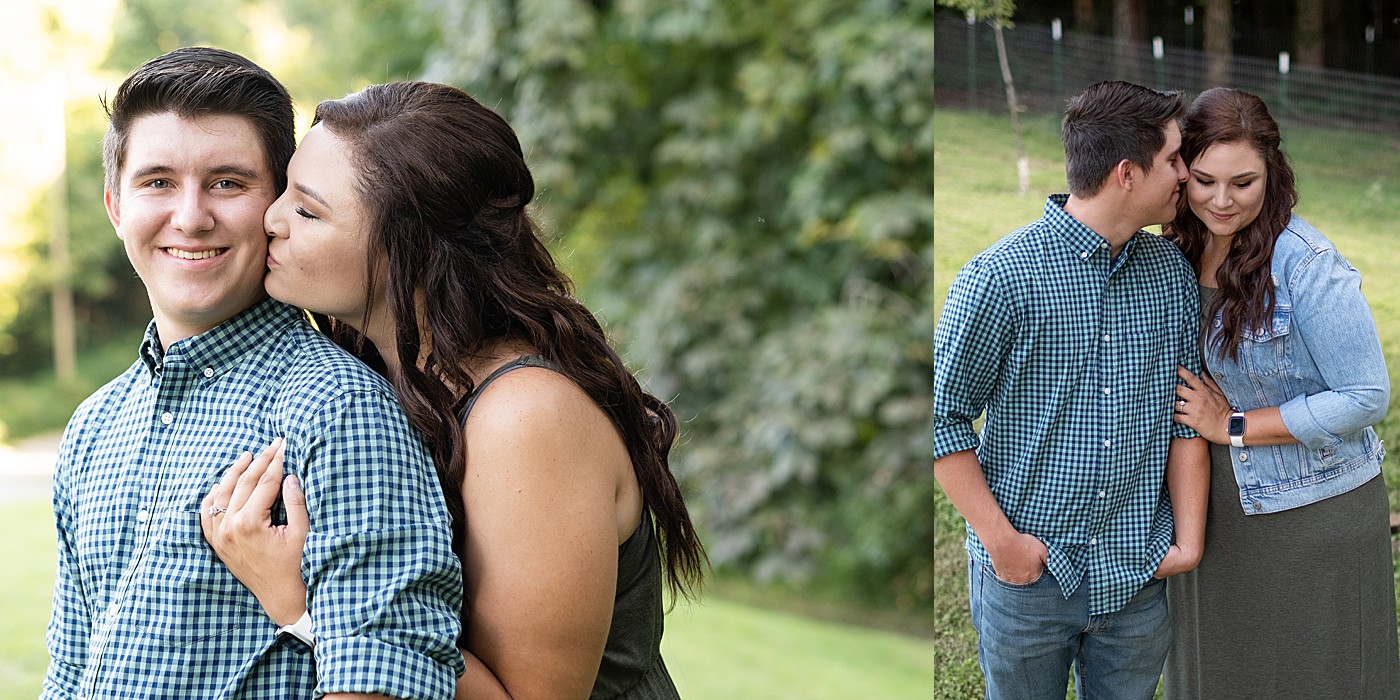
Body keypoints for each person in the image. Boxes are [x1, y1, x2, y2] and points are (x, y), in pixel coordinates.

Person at [198, 80, 708, 699]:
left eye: (307, 211)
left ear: (406, 252)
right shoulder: (365, 382)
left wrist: (303, 601)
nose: (269, 219)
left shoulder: (525, 418)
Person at [41, 48, 464, 699]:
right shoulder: (94, 426)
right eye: (157, 182)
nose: (190, 217)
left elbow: (385, 682)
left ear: (275, 207)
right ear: (115, 206)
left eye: (227, 183)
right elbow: (70, 670)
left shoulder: (338, 410)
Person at [933, 80, 1211, 700]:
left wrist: (1187, 540)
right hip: (1029, 580)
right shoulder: (1001, 277)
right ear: (1126, 174)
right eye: (1173, 159)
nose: (1186, 174)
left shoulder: (1171, 278)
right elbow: (941, 419)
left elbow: (1183, 417)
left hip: (1136, 576)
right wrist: (1004, 546)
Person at [1162, 87, 1400, 699]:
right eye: (1205, 181)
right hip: (1208, 506)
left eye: (1243, 182)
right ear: (1182, 172)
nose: (1221, 200)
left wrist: (1234, 425)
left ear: (1273, 171)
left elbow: (1367, 395)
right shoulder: (1173, 252)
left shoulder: (1308, 265)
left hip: (1311, 511)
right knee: (1221, 672)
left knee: (1320, 677)